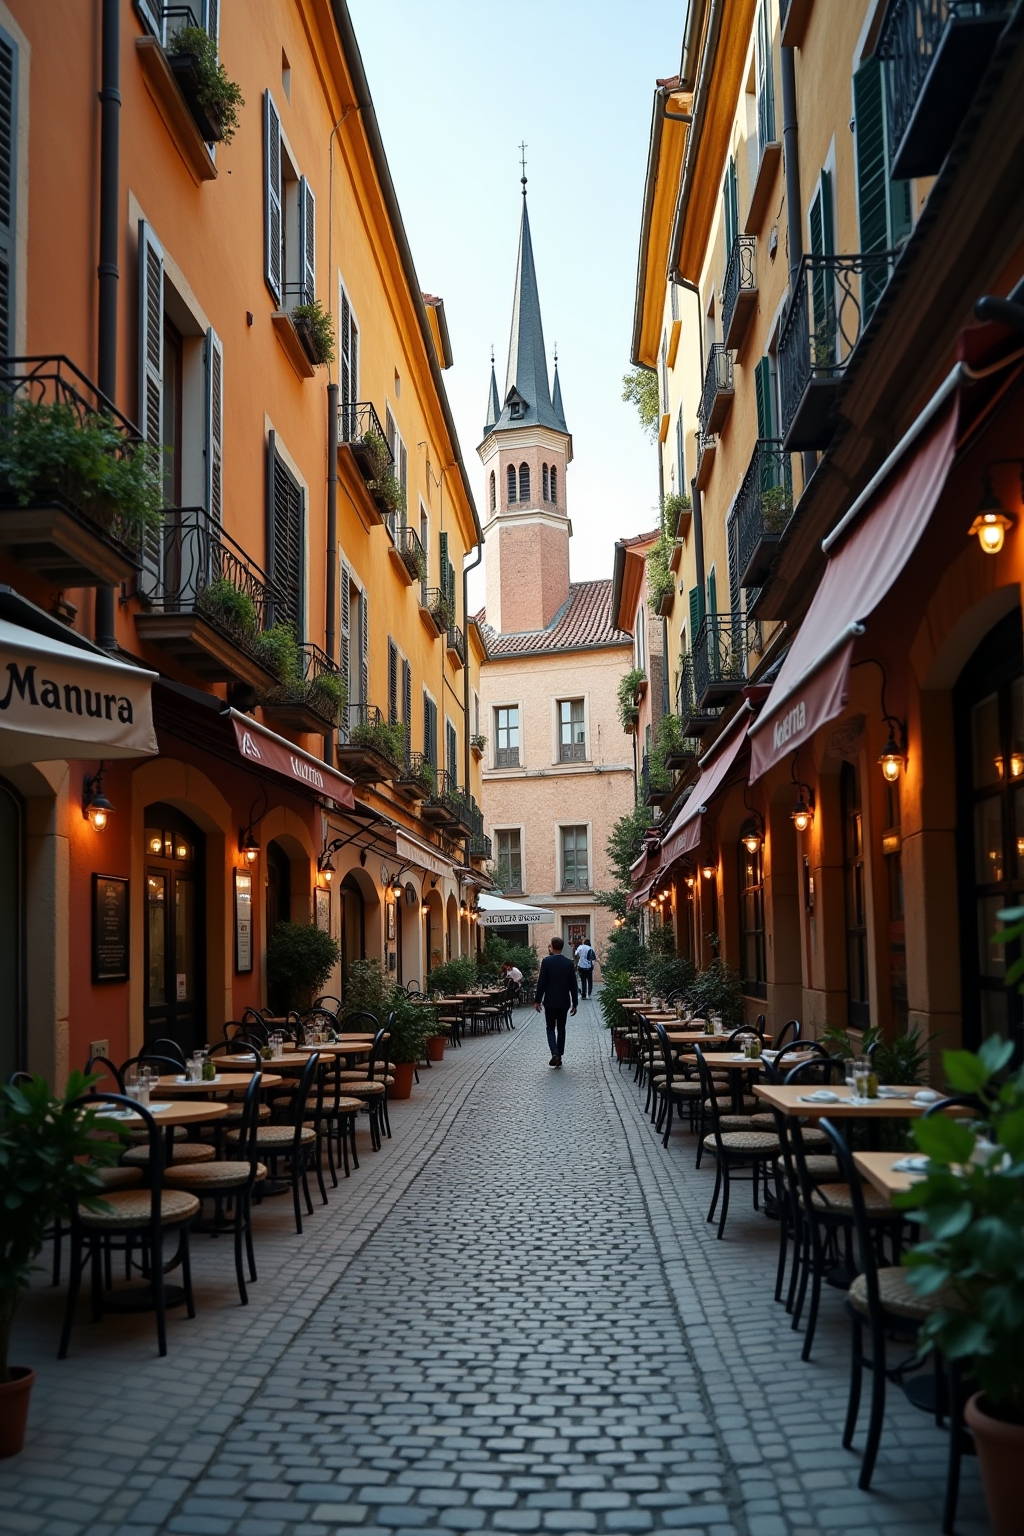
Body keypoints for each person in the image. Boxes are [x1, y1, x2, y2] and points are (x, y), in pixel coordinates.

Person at [534, 936, 578, 1068]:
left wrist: (537, 1000)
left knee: (550, 1027)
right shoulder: (569, 963)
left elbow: (542, 982)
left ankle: (554, 1052)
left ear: (552, 947)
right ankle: (560, 1054)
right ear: (562, 947)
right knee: (561, 1028)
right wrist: (575, 1003)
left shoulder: (546, 962)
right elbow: (573, 985)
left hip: (550, 1001)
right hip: (564, 1001)